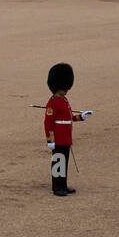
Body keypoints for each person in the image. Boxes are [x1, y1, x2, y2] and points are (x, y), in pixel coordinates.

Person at [44, 62, 88, 196]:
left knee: (64, 162)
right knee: (58, 162)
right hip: (58, 138)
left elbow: (68, 117)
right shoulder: (53, 102)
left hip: (66, 138)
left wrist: (81, 117)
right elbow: (48, 123)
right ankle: (57, 187)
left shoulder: (63, 100)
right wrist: (50, 140)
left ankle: (63, 184)